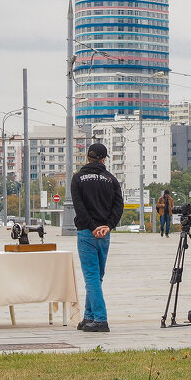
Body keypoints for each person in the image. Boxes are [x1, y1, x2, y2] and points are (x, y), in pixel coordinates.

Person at [70, 142, 124, 332]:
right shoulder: (111, 179)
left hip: (87, 232)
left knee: (91, 277)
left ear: (88, 157)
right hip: (104, 235)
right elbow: (119, 206)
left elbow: (79, 207)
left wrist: (92, 227)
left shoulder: (78, 178)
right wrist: (107, 226)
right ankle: (89, 316)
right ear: (103, 159)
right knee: (96, 278)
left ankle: (101, 320)